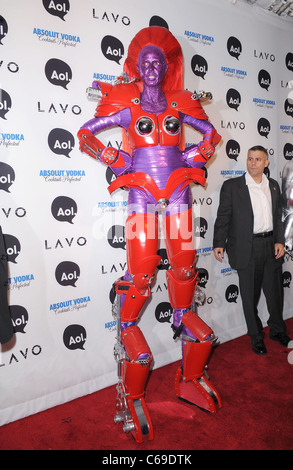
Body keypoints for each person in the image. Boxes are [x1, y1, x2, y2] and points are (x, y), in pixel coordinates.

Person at [78, 26, 222, 443]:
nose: (154, 66)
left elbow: (210, 135)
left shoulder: (180, 102)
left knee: (183, 273)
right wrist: (114, 156)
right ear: (137, 68)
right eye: (146, 61)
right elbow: (86, 133)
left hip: (178, 195)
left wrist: (193, 154)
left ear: (169, 67)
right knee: (140, 278)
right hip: (141, 197)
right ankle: (134, 385)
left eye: (160, 61)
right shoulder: (125, 101)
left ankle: (189, 379)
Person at [213, 145, 293, 355]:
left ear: (266, 162)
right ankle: (256, 336)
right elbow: (223, 217)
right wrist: (219, 243)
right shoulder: (232, 186)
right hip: (246, 247)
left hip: (271, 245)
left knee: (275, 293)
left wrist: (279, 241)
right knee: (249, 296)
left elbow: (278, 217)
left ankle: (277, 330)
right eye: (250, 159)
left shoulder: (273, 185)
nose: (253, 163)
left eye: (258, 159)